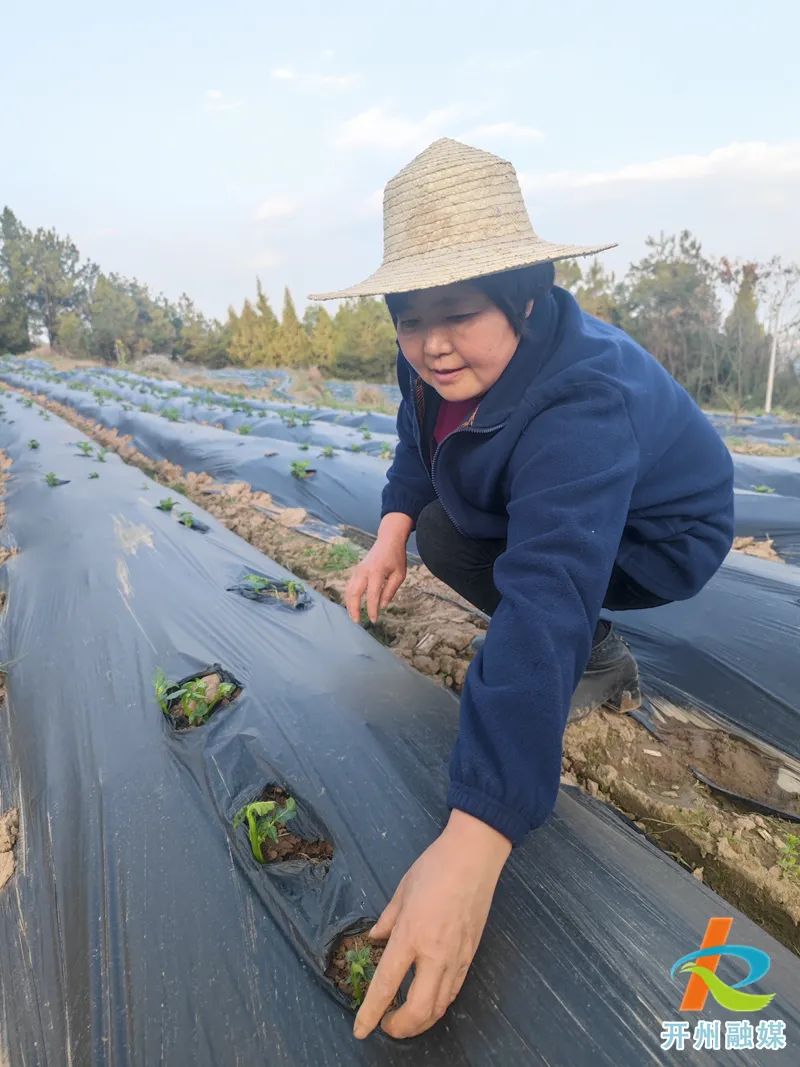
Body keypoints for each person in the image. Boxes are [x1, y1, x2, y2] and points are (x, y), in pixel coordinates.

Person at [308, 137, 734, 1041]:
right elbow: (414, 441)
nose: (430, 343)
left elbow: (545, 591)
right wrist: (389, 533)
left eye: (457, 312)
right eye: (409, 316)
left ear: (525, 294)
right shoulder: (429, 362)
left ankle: (601, 656)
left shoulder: (583, 399)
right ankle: (579, 640)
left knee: (542, 595)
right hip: (562, 494)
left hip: (663, 530)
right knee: (439, 526)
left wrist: (474, 838)